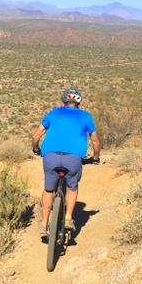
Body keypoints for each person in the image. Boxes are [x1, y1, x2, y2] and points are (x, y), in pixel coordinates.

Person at [31, 88, 101, 236]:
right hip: (73, 158)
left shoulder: (54, 112)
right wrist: (95, 158)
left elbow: (36, 136)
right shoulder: (86, 116)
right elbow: (96, 143)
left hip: (51, 156)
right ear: (78, 103)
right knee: (72, 186)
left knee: (48, 190)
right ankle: (68, 218)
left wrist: (36, 149)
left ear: (63, 101)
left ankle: (44, 224)